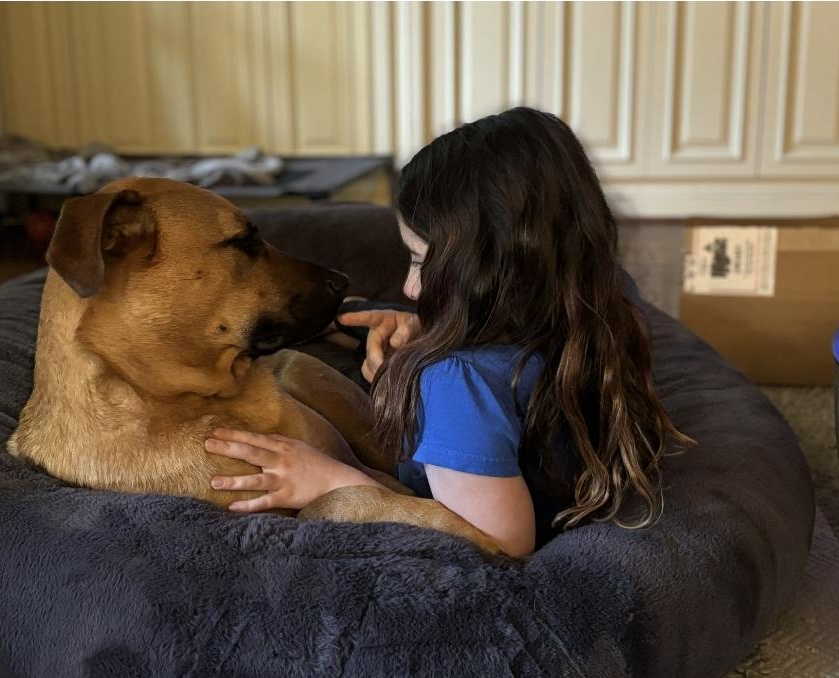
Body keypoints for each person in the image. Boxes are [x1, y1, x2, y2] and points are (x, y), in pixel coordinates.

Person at [204, 107, 693, 558]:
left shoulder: (458, 380)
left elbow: (500, 543)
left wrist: (334, 483)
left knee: (294, 374)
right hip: (550, 488)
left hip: (438, 505)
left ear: (486, 272)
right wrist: (420, 327)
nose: (410, 286)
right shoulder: (598, 309)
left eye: (419, 260)